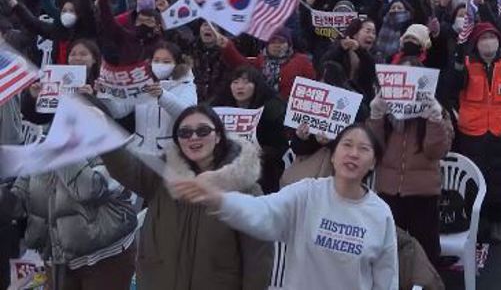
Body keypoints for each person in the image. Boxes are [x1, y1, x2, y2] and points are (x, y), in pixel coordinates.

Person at [170, 123, 399, 290]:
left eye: (363, 149)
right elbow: (262, 212)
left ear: (373, 163)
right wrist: (220, 199)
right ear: (333, 155)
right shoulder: (307, 193)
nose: (353, 154)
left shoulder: (380, 214)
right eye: (347, 145)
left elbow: (386, 279)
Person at [102, 106, 273, 290]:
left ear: (218, 136)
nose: (193, 137)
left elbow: (258, 258)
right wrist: (101, 129)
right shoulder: (161, 175)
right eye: (185, 132)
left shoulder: (245, 188)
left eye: (202, 130)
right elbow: (126, 166)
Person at [445, 21, 501, 243]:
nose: (489, 42)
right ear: (476, 43)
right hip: (472, 132)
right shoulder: (466, 63)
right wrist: (457, 59)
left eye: (492, 37)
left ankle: (496, 222)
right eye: (484, 38)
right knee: (475, 179)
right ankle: (476, 218)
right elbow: (452, 86)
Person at [1, 157, 138, 290]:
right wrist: (4, 198)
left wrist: (61, 150)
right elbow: (21, 199)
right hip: (58, 263)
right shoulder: (42, 145)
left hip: (104, 260)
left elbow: (90, 189)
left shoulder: (105, 142)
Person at [368, 83, 454, 266]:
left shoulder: (435, 111)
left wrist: (434, 120)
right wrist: (375, 116)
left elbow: (437, 152)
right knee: (388, 249)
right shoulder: (385, 114)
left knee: (426, 250)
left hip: (423, 193)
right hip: (388, 191)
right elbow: (373, 149)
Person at [211, 66, 289, 193]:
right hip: (225, 171)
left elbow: (279, 147)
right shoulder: (217, 106)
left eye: (246, 82)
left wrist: (259, 151)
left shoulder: (271, 109)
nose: (240, 86)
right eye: (235, 82)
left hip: (262, 172)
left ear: (257, 85)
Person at [220, 27, 315, 100]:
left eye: (281, 42)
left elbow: (312, 87)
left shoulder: (301, 61)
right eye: (273, 42)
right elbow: (240, 64)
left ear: (289, 45)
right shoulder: (260, 61)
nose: (277, 45)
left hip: (291, 110)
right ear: (267, 45)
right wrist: (228, 47)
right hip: (264, 108)